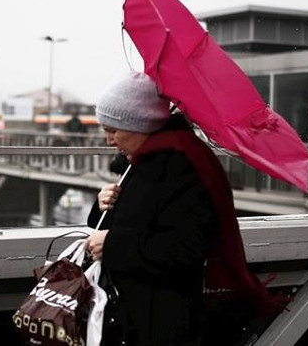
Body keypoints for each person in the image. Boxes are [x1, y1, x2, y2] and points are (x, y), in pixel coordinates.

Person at [85, 71, 283, 346]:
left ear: (139, 125)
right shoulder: (138, 164)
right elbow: (125, 225)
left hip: (161, 324)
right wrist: (102, 206)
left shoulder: (182, 168)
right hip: (129, 317)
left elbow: (185, 249)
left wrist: (113, 244)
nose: (108, 140)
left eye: (112, 130)